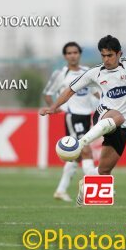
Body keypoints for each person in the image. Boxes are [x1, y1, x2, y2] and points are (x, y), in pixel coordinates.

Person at [40, 35, 126, 205]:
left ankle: (84, 187)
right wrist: (54, 107)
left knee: (104, 170)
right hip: (105, 114)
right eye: (103, 55)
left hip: (125, 126)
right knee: (117, 116)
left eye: (110, 55)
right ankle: (80, 143)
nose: (106, 59)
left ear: (119, 54)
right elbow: (70, 90)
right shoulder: (95, 72)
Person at [43, 42, 99, 202]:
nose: (72, 55)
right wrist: (56, 108)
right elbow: (48, 94)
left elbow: (96, 92)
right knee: (86, 150)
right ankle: (94, 188)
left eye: (75, 52)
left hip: (86, 116)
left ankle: (60, 190)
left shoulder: (87, 72)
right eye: (69, 53)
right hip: (72, 116)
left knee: (75, 155)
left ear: (79, 54)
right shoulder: (60, 74)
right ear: (65, 56)